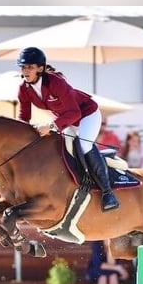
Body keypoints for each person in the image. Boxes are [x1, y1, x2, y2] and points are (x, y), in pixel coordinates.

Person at [16, 46, 118, 212]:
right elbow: (24, 116)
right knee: (58, 147)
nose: (26, 71)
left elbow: (75, 112)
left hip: (86, 115)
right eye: (23, 67)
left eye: (30, 67)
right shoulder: (23, 89)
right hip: (66, 119)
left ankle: (108, 193)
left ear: (40, 68)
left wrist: (51, 126)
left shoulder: (56, 83)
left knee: (84, 146)